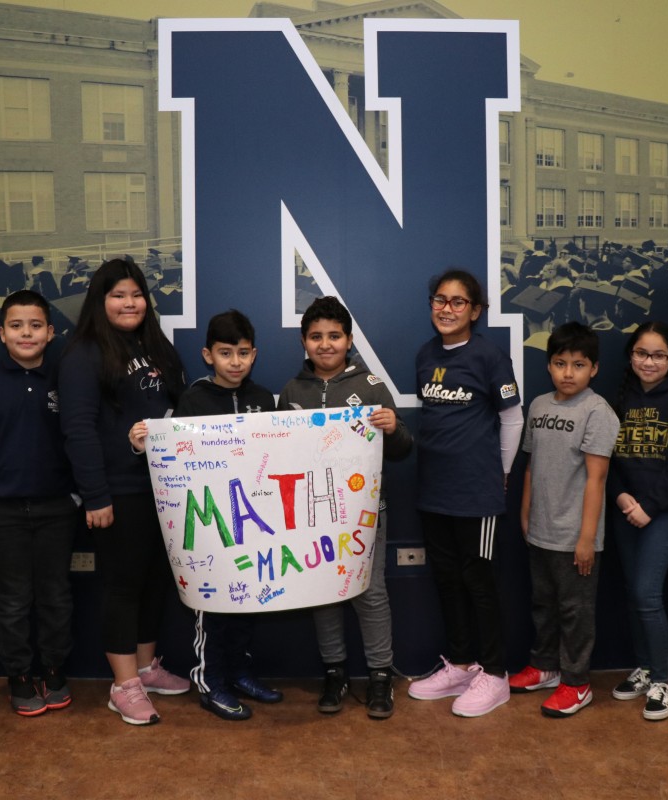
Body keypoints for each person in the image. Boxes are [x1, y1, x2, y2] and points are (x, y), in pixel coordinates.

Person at [129, 309, 283, 721]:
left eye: (244, 353)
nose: (236, 361)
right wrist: (147, 443)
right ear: (207, 355)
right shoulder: (194, 400)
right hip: (209, 528)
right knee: (211, 612)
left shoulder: (264, 399)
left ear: (255, 354)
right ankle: (211, 682)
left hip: (252, 525)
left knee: (248, 605)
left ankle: (239, 673)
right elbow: (173, 460)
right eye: (226, 352)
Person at [59, 258, 188, 725]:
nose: (129, 303)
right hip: (119, 490)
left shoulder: (155, 346)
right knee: (122, 586)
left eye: (136, 294)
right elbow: (77, 428)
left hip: (165, 489)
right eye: (118, 295)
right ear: (100, 301)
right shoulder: (84, 353)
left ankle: (147, 668)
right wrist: (96, 495)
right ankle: (123, 685)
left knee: (155, 582)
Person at [278, 296, 412, 720]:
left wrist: (394, 429)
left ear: (349, 340)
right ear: (304, 342)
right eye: (316, 337)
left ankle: (379, 675)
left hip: (365, 512)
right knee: (324, 596)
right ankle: (334, 672)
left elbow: (402, 449)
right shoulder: (292, 390)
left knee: (370, 594)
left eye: (334, 336)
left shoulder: (371, 386)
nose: (325, 344)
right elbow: (278, 455)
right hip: (312, 515)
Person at [0, 290, 78, 716]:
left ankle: (55, 668)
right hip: (1, 512)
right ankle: (20, 675)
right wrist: (0, 481)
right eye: (17, 325)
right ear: (2, 332)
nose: (27, 333)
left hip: (57, 508)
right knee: (11, 598)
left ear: (51, 332)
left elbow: (79, 440)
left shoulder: (66, 382)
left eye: (36, 325)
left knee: (56, 595)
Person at [407, 268, 523, 717]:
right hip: (434, 491)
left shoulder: (490, 357)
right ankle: (460, 663)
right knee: (447, 580)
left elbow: (512, 418)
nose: (447, 309)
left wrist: (503, 473)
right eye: (440, 299)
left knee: (479, 583)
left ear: (475, 310)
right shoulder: (424, 354)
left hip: (477, 493)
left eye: (458, 302)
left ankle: (494, 674)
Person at [507, 322, 618, 718]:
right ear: (549, 365)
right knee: (544, 604)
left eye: (578, 364)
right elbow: (531, 468)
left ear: (594, 369)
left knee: (576, 612)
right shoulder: (538, 406)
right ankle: (544, 667)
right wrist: (525, 512)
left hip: (576, 538)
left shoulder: (598, 412)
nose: (568, 373)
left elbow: (596, 479)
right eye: (559, 363)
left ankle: (576, 682)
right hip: (540, 530)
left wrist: (587, 538)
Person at [607, 321, 668, 721]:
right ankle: (645, 669)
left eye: (658, 355)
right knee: (633, 593)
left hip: (662, 513)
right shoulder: (622, 396)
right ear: (631, 357)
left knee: (648, 595)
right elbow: (606, 455)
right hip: (626, 509)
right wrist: (622, 496)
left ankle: (662, 680)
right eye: (642, 354)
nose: (649, 361)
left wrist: (649, 505)